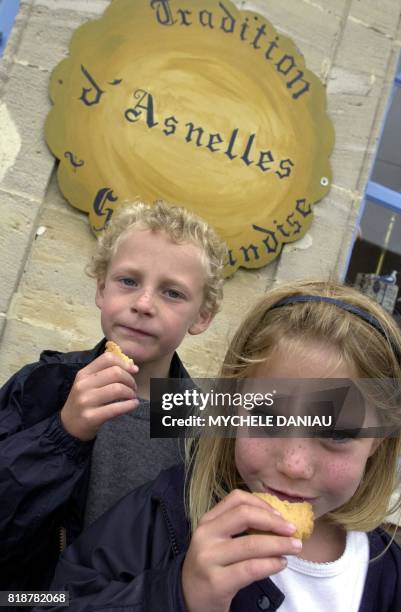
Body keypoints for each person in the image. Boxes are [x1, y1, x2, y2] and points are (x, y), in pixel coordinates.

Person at [35, 280, 401, 612]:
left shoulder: (389, 575)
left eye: (337, 434)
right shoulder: (168, 512)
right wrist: (175, 595)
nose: (294, 464)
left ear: (378, 442)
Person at [0, 200, 227, 591]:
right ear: (101, 288)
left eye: (172, 293)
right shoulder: (43, 386)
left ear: (202, 317)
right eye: (128, 281)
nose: (143, 304)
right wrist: (63, 435)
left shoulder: (204, 429)